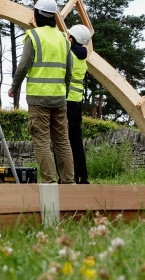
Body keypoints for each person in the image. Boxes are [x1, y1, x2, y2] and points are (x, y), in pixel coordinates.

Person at [7, 0, 75, 184]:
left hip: (39, 100)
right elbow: (69, 71)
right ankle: (69, 184)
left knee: (42, 142)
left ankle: (49, 184)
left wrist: (14, 87)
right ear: (53, 16)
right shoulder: (63, 38)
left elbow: (23, 67)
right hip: (59, 99)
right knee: (62, 142)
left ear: (37, 14)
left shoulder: (34, 36)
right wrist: (64, 92)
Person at [66, 24, 92, 184]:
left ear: (72, 39)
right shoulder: (83, 57)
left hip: (65, 101)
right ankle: (82, 176)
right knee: (76, 139)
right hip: (77, 102)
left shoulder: (69, 55)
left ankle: (68, 176)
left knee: (62, 140)